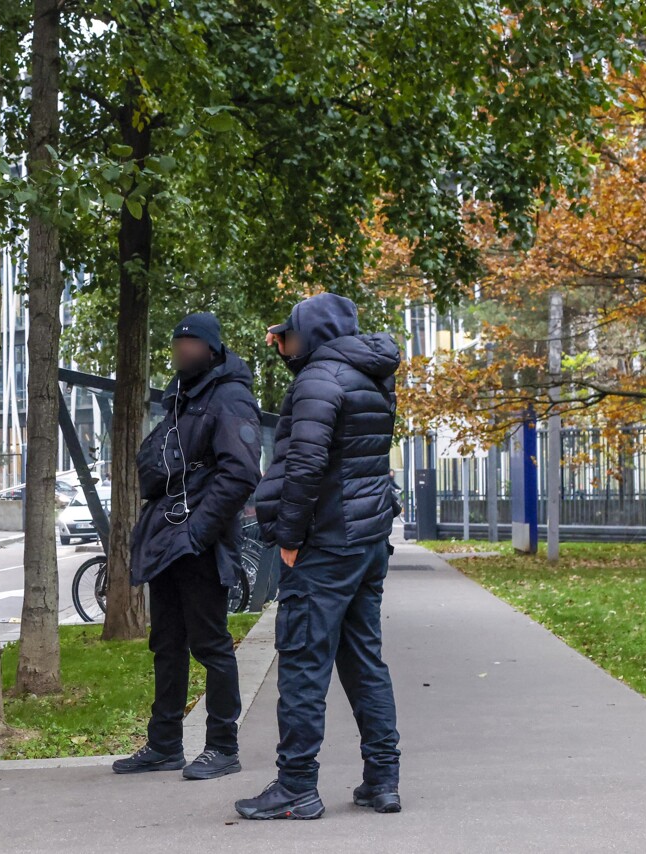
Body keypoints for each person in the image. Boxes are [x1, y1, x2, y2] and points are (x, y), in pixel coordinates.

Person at [235, 292, 402, 821]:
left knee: (304, 661)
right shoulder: (372, 375)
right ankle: (383, 780)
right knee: (363, 660)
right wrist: (291, 348)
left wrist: (287, 536)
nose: (288, 343)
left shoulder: (316, 381)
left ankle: (297, 787)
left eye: (294, 334)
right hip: (367, 540)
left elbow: (305, 463)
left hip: (326, 542)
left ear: (316, 334)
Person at [112, 313, 262, 781]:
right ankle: (164, 745)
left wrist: (199, 531)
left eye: (191, 343)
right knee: (167, 643)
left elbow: (240, 473)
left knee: (211, 644)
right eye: (178, 343)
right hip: (168, 540)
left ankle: (223, 747)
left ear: (213, 348)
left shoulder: (230, 396)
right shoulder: (181, 395)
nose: (181, 351)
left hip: (199, 543)